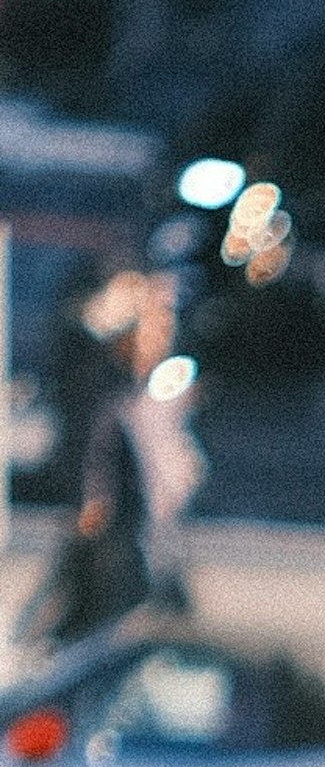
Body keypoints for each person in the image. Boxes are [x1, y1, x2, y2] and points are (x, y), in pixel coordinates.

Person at [42, 269, 200, 653]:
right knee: (102, 627)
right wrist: (92, 501)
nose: (161, 335)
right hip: (113, 526)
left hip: (131, 528)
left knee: (109, 622)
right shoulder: (104, 381)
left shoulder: (135, 385)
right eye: (153, 324)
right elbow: (93, 448)